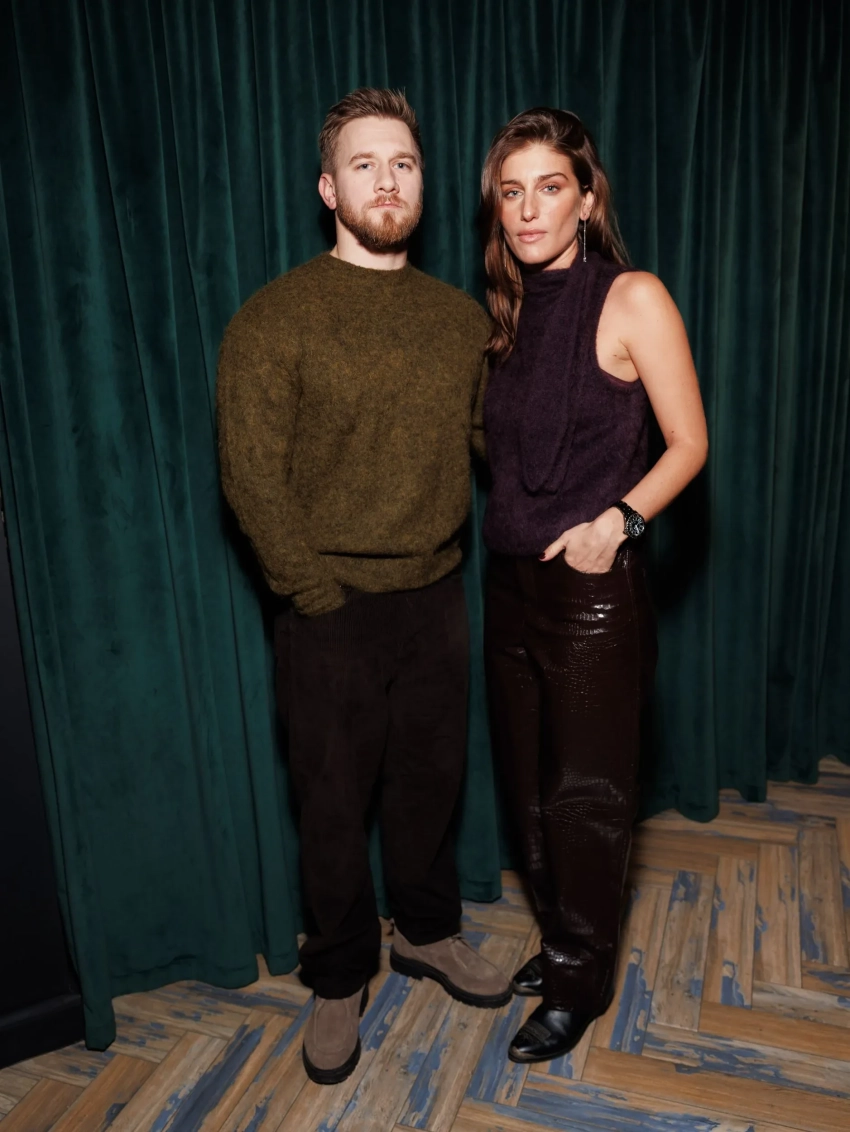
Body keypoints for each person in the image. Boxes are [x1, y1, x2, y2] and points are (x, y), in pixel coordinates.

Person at [216, 88, 511, 1087]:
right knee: (333, 804)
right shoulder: (275, 318)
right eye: (364, 164)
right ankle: (339, 971)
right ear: (327, 188)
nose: (387, 181)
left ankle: (426, 932)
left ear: (423, 184)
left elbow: (496, 446)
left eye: (404, 163)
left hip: (437, 597)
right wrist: (313, 594)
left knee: (430, 785)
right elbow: (250, 477)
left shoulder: (458, 320)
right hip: (327, 611)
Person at [480, 108, 708, 1063]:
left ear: (586, 198)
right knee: (528, 792)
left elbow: (689, 443)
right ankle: (564, 938)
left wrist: (618, 523)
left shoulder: (633, 296)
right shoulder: (507, 312)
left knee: (585, 797)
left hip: (592, 594)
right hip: (508, 586)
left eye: (550, 187)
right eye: (512, 191)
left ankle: (581, 978)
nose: (529, 209)